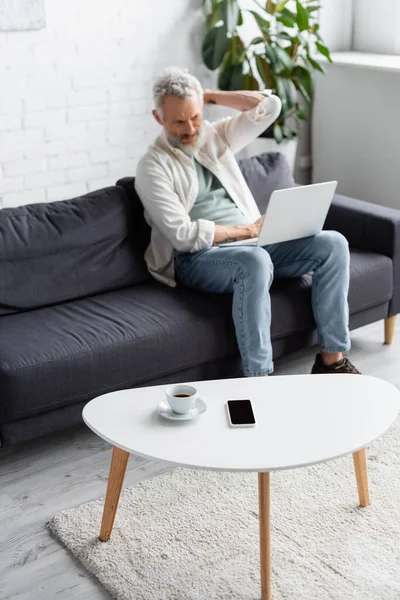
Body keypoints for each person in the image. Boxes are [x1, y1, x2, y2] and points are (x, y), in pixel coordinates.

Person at [134, 67, 360, 377]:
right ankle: (259, 379)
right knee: (254, 261)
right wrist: (249, 230)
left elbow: (270, 107)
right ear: (159, 118)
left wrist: (206, 96)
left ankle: (331, 361)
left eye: (195, 116)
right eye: (178, 121)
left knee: (333, 243)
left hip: (254, 244)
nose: (190, 129)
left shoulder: (214, 135)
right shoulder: (152, 166)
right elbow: (183, 236)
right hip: (198, 258)